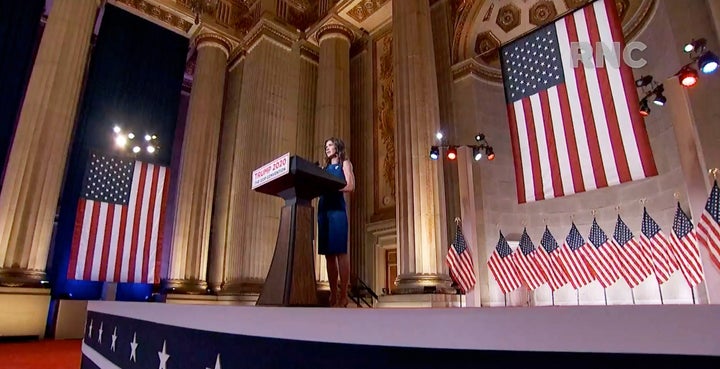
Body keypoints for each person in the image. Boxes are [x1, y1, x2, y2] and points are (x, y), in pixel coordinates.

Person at [317, 137, 355, 308]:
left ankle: (344, 294)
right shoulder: (324, 168)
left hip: (337, 211)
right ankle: (333, 294)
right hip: (324, 210)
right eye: (326, 146)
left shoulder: (345, 163)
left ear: (338, 146)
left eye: (330, 145)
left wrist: (331, 187)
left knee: (340, 252)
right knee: (328, 255)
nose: (327, 148)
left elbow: (350, 185)